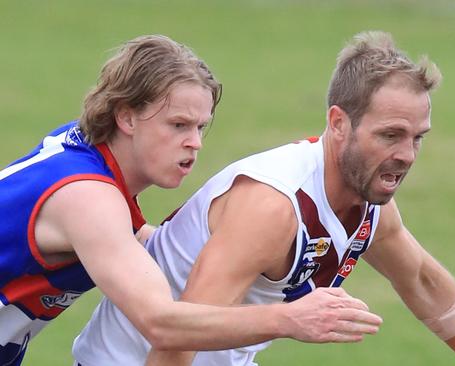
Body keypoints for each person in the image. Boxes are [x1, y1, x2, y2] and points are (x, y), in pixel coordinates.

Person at [73, 31, 455, 366]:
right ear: (338, 123)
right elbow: (176, 341)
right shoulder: (273, 206)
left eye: (418, 137)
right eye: (390, 135)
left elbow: (422, 281)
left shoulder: (368, 203)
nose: (406, 155)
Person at [0, 34, 383, 366]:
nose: (194, 142)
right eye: (178, 125)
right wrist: (289, 319)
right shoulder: (88, 198)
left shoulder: (84, 153)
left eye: (200, 126)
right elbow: (162, 324)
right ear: (126, 117)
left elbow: (122, 239)